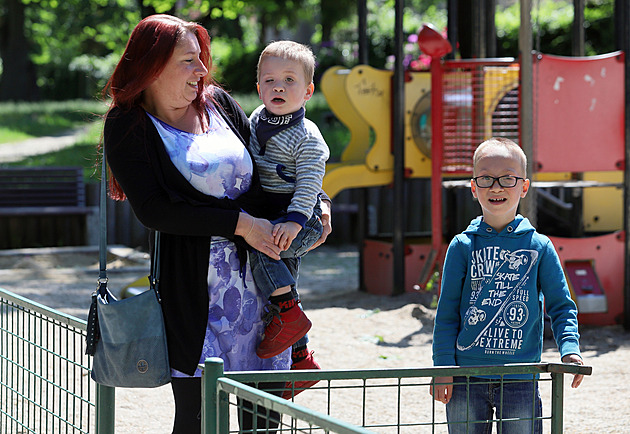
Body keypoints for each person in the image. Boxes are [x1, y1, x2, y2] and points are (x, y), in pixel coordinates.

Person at [101, 15, 332, 433]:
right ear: (153, 65)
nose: (202, 71)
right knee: (195, 414)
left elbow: (273, 166)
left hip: (262, 281)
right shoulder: (127, 124)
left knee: (262, 416)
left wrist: (317, 200)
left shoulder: (218, 103)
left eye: (201, 59)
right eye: (190, 61)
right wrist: (240, 224)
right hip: (194, 290)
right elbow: (154, 210)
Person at [430, 137, 584, 433]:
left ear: (524, 187)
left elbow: (562, 307)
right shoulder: (462, 246)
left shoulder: (539, 246)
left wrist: (570, 348)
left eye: (507, 178)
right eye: (486, 178)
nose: (496, 187)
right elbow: (447, 313)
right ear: (474, 188)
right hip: (465, 376)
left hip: (520, 376)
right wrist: (442, 368)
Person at [246, 40, 329, 396]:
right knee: (281, 279)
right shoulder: (254, 119)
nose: (278, 87)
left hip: (301, 215)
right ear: (259, 86)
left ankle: (288, 314)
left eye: (290, 80)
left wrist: (295, 220)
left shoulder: (307, 136)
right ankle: (300, 358)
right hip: (274, 213)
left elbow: (310, 183)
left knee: (263, 248)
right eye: (270, 80)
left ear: (308, 91)